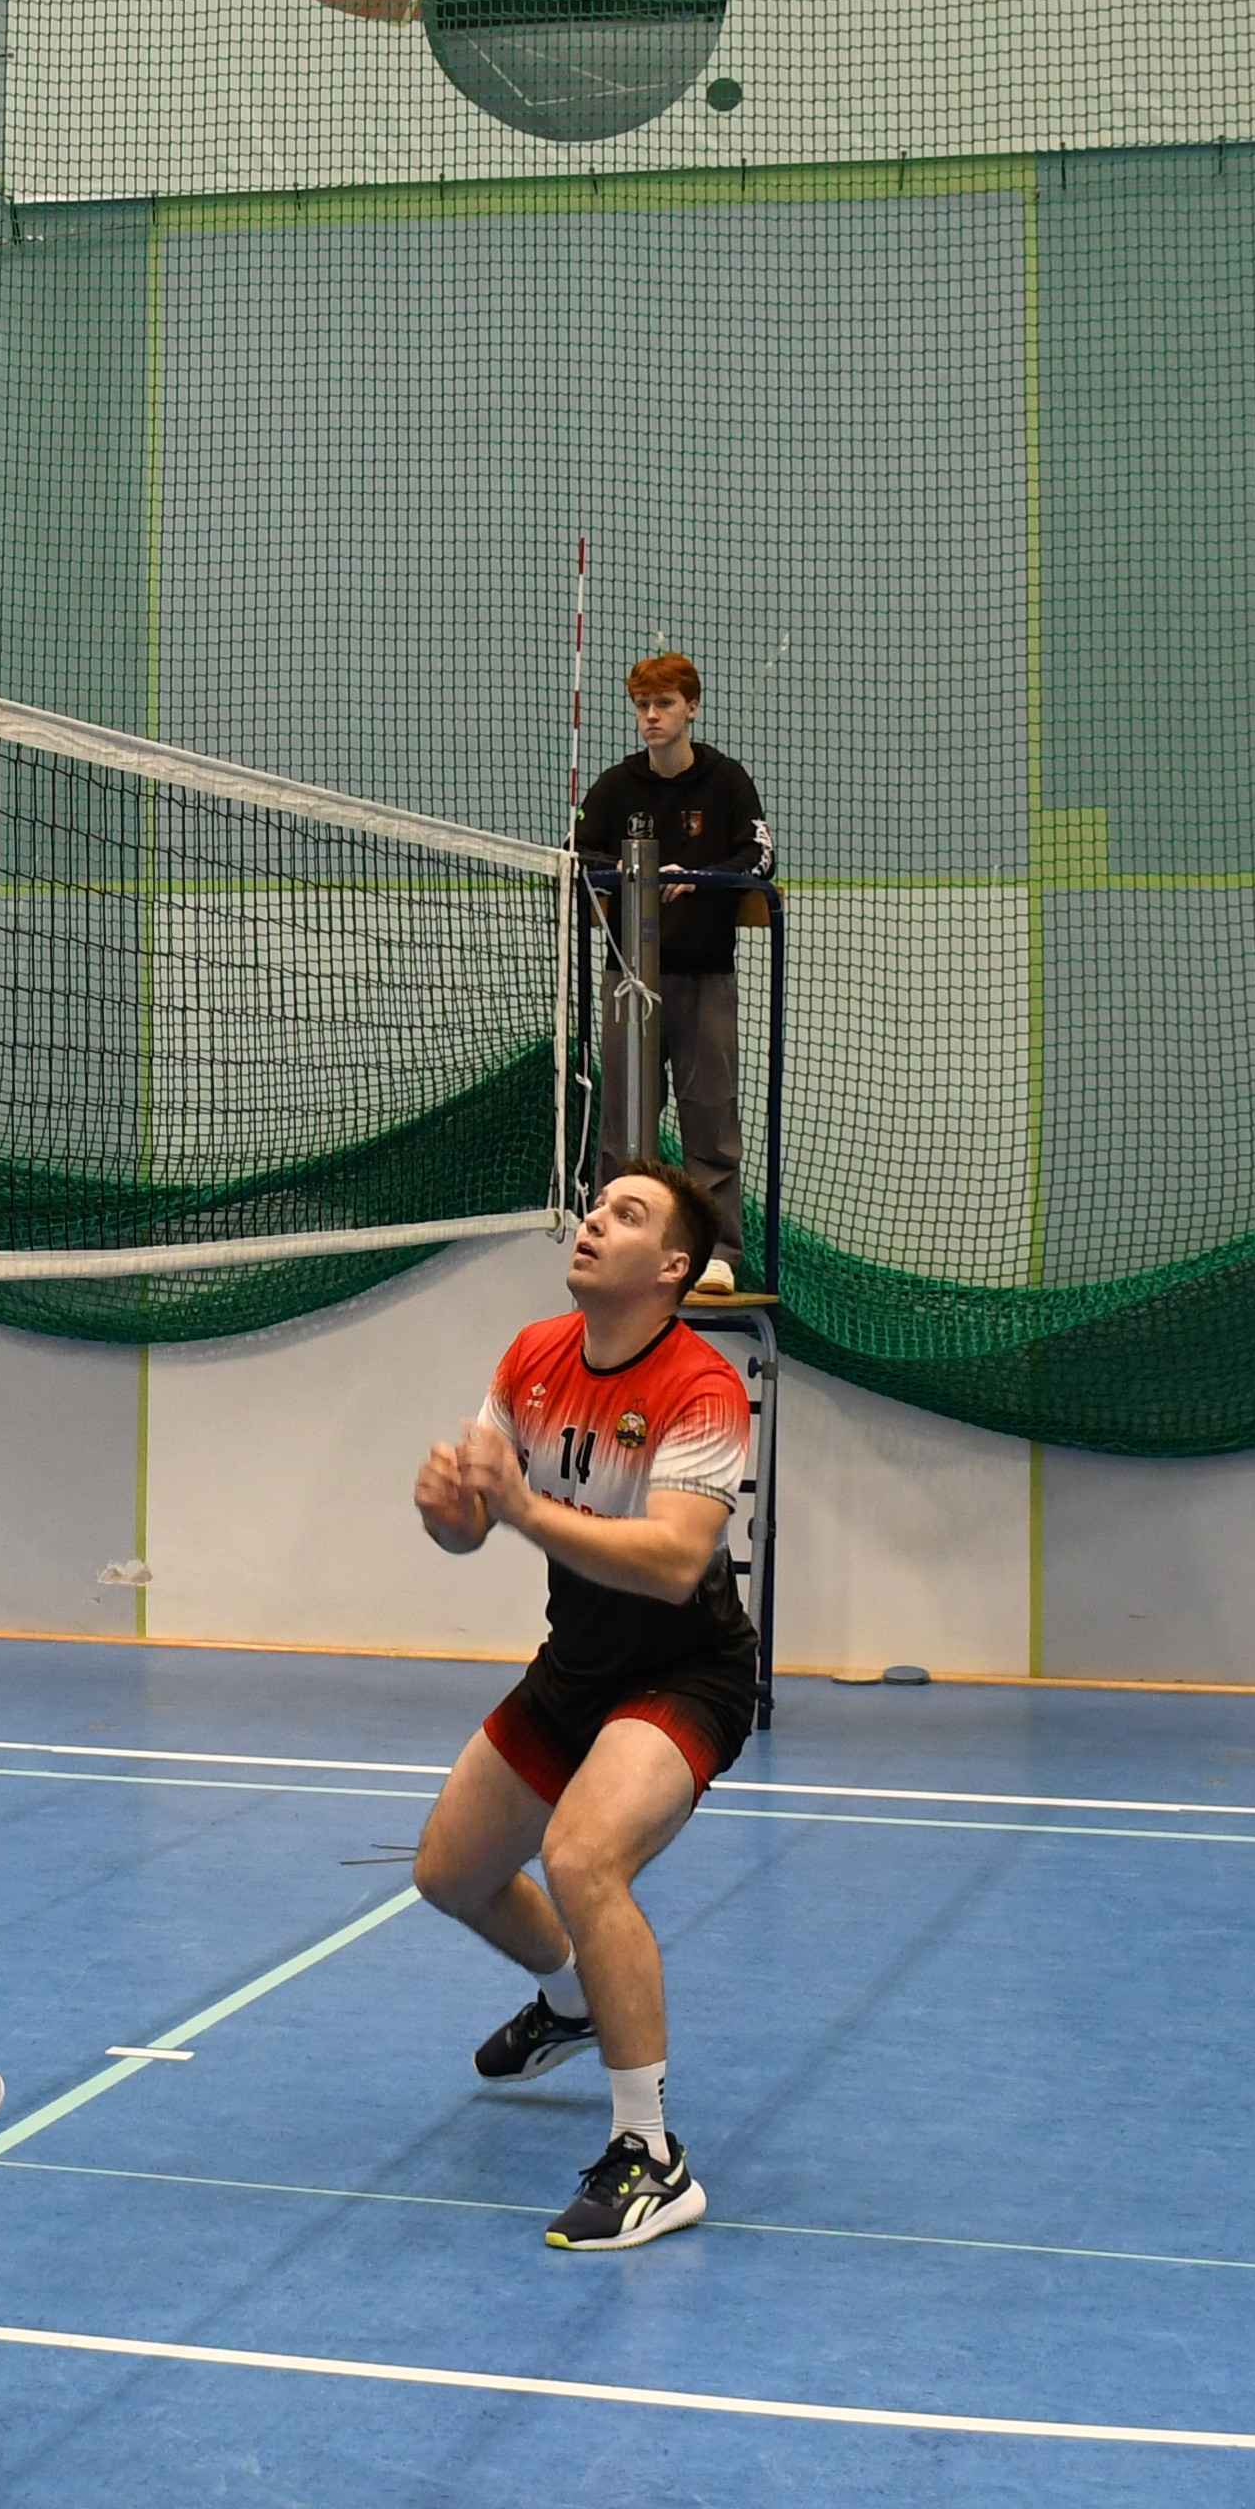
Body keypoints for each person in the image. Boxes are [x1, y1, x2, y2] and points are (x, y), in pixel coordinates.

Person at [409, 1160, 754, 2253]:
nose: (595, 1221)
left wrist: (516, 1510)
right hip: (579, 1664)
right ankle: (572, 1999)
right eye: (598, 1206)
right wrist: (451, 1514)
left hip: (686, 1671)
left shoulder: (704, 1387)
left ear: (673, 1268)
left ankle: (651, 2156)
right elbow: (474, 1525)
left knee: (584, 1856)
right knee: (450, 1874)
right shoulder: (533, 1357)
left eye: (627, 1214)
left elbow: (674, 1561)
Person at [573, 654, 766, 1208]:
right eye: (642, 706)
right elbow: (574, 852)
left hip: (705, 978)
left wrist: (700, 880)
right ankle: (621, 1236)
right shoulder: (616, 785)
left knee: (711, 1124)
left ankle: (717, 1250)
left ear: (692, 708)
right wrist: (630, 873)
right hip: (629, 981)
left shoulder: (726, 780)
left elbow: (759, 856)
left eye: (664, 704)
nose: (652, 716)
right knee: (624, 1130)